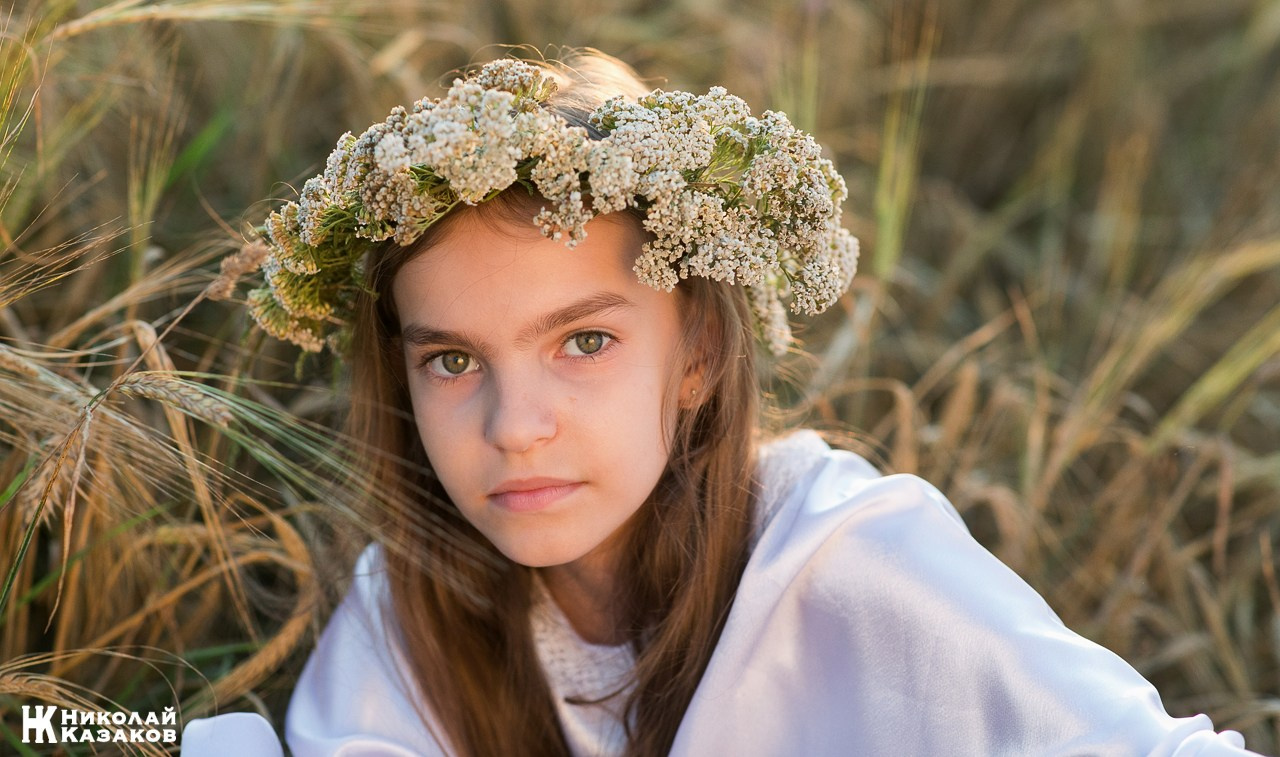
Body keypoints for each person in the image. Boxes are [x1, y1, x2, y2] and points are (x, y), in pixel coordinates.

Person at [182, 50, 1262, 756]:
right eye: (452, 361)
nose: (514, 425)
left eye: (585, 341)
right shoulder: (413, 612)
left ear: (697, 350)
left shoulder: (844, 563)